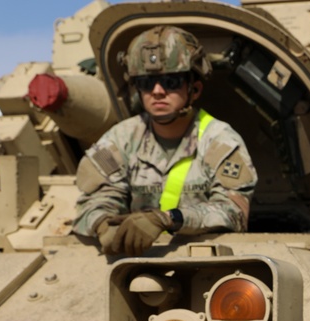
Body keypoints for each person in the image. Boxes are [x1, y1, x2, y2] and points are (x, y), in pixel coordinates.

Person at [74, 26, 256, 256]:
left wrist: (169, 219)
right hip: (136, 256)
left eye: (171, 82)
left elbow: (233, 212)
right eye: (147, 83)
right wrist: (103, 223)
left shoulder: (220, 141)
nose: (158, 91)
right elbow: (96, 197)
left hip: (206, 256)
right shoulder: (121, 138)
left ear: (195, 88)